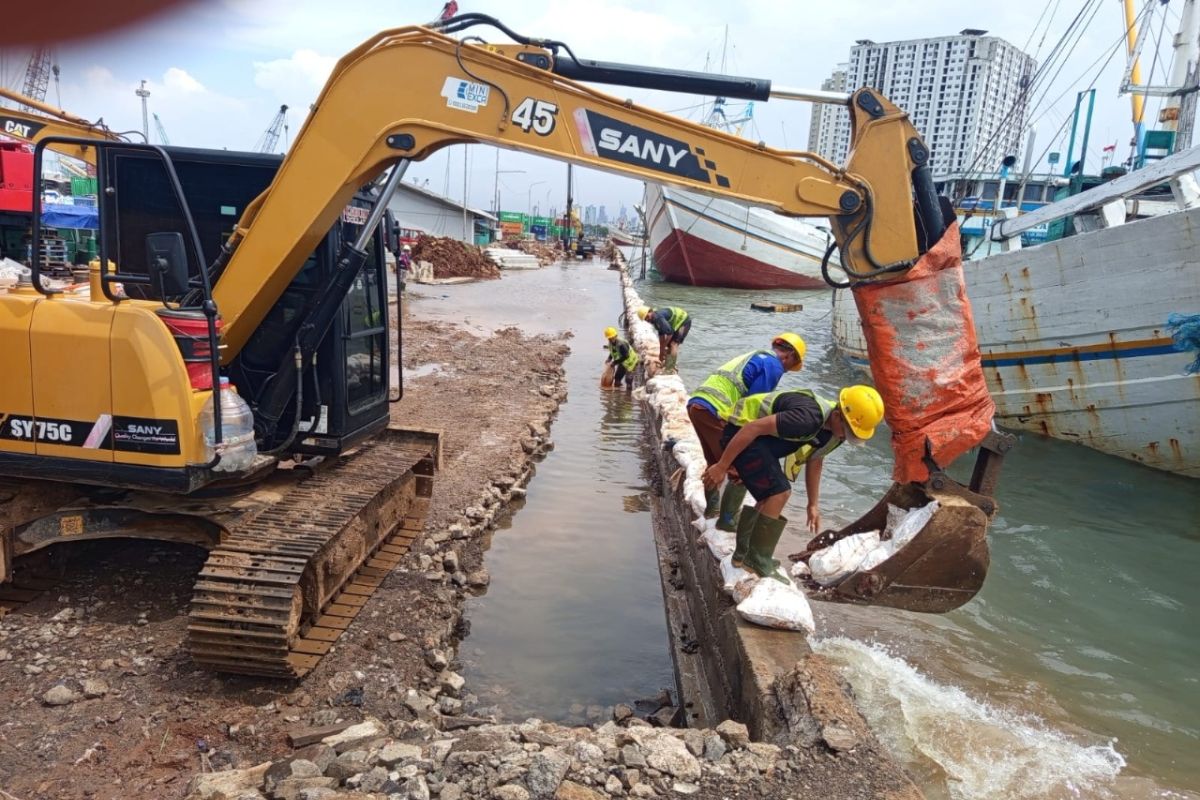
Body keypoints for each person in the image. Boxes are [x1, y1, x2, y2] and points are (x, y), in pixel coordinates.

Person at [702, 385, 885, 582]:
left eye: (852, 436)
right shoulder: (807, 418)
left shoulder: (833, 434)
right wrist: (722, 465)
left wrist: (812, 504)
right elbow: (751, 428)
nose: (845, 437)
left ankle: (743, 555)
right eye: (847, 431)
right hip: (740, 435)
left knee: (769, 497)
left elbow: (816, 461)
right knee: (780, 493)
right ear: (838, 414)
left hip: (762, 444)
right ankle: (756, 559)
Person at [687, 333, 805, 529]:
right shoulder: (774, 366)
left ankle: (712, 510)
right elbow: (753, 407)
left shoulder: (758, 356)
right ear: (790, 356)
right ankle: (727, 521)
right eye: (790, 367)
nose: (787, 371)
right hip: (714, 410)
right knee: (740, 468)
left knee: (715, 462)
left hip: (698, 405)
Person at [636, 305, 690, 373]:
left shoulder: (658, 318)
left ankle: (670, 368)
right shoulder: (655, 320)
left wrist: (663, 348)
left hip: (684, 321)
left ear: (651, 311)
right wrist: (661, 351)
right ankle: (668, 364)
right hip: (675, 324)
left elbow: (670, 333)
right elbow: (661, 336)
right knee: (669, 345)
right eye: (645, 319)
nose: (647, 320)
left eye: (647, 316)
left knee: (674, 344)